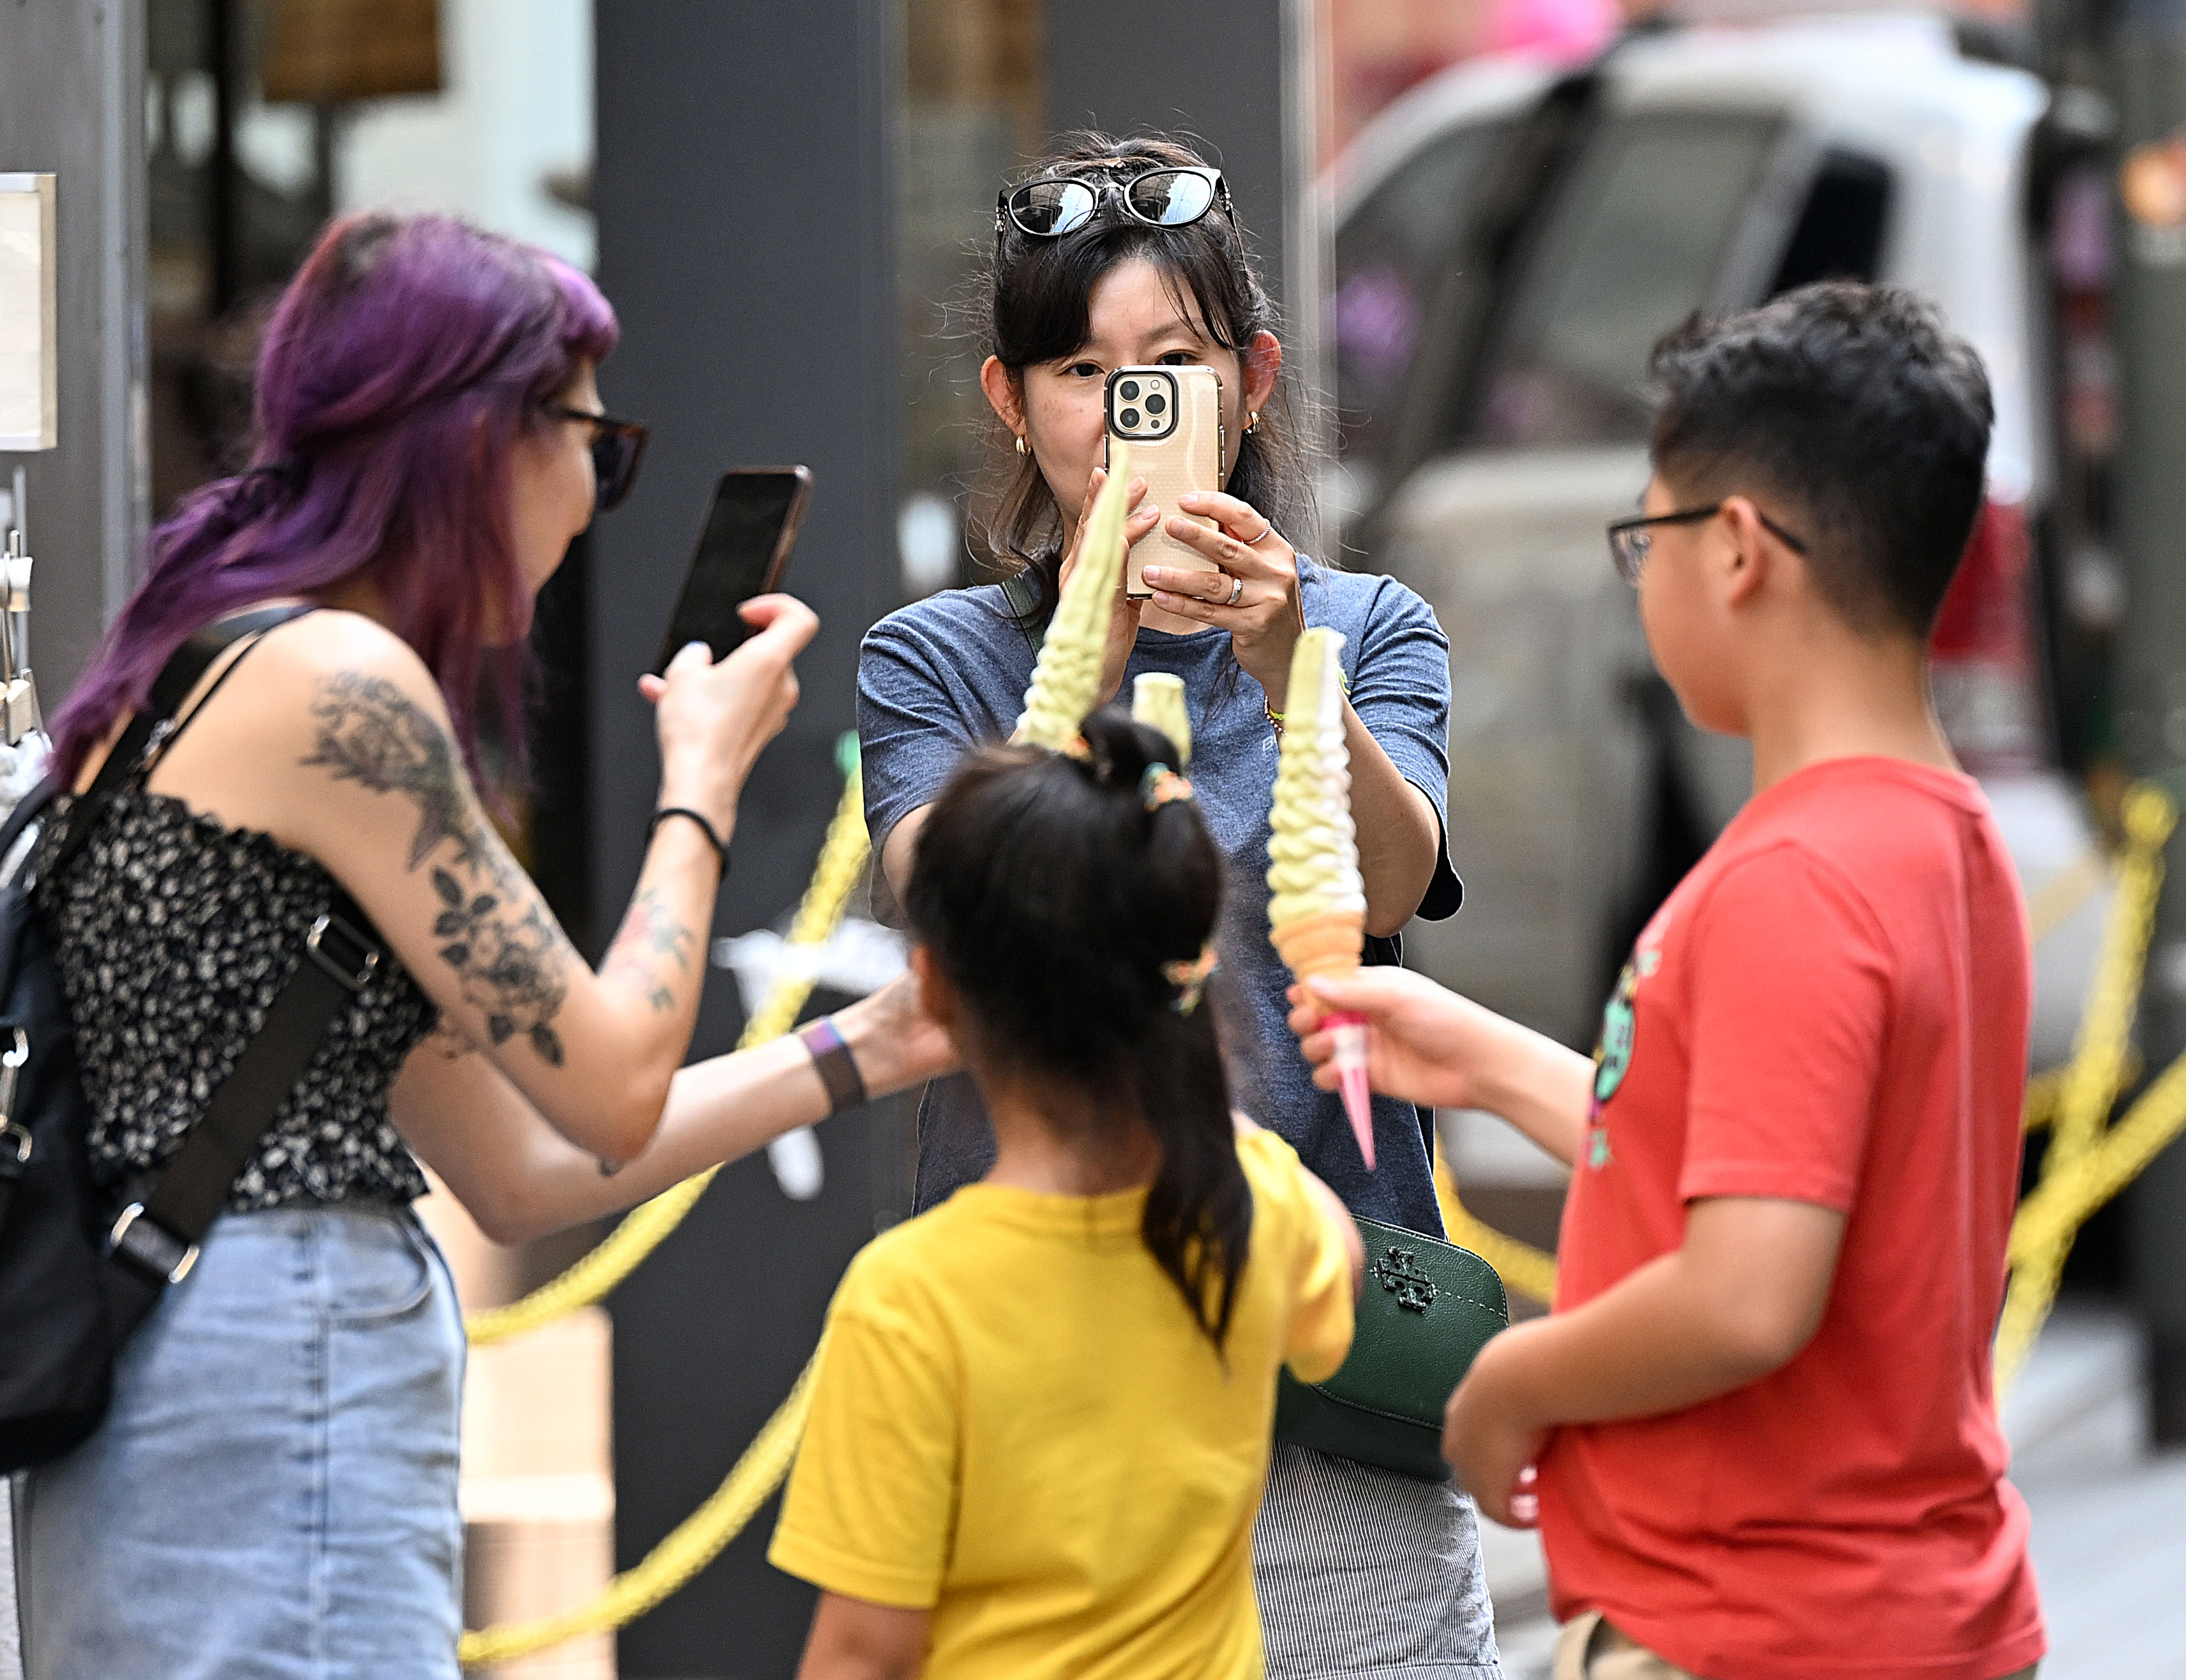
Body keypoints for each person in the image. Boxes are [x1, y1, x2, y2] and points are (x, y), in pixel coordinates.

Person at [17, 211, 954, 1680]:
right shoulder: (346, 689)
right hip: (284, 1386)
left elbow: (521, 1169)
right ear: (481, 437)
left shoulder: (204, 663)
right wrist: (697, 784)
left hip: (170, 1382)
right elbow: (611, 1080)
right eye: (595, 438)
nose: (595, 494)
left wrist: (867, 1045)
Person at [1295, 282, 2047, 1680]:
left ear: (1740, 549)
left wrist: (1509, 1381)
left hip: (1749, 1622)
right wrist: (1481, 1058)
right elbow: (1781, 1152)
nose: (1641, 572)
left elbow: (1744, 1290)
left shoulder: (1787, 881)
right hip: (1916, 1604)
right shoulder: (1943, 839)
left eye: (1649, 533)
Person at [857, 133, 1494, 1677]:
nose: (1120, 407)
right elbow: (955, 902)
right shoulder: (936, 656)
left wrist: (1287, 666)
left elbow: (1394, 878)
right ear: (1012, 402)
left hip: (1321, 1365)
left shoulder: (1364, 625)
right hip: (1043, 1385)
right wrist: (1092, 619)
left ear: (1252, 378)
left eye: (1169, 362)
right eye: (1078, 369)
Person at [771, 712, 1364, 1678]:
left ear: (932, 989)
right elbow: (1338, 1262)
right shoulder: (1250, 1205)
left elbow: (860, 1656)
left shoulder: (910, 1299)